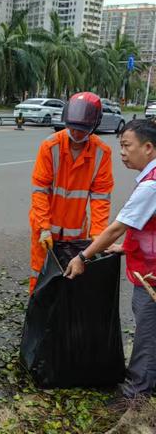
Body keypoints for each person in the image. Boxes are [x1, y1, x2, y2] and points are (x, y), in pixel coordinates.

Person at [65, 119, 156, 400]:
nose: (122, 153)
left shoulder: (150, 187)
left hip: (151, 275)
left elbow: (117, 226)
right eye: (120, 147)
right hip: (147, 265)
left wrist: (83, 256)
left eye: (127, 146)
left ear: (149, 147)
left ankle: (137, 391)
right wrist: (126, 248)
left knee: (148, 331)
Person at [29, 92, 114, 295]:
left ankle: (63, 320)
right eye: (72, 128)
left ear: (94, 126)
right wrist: (43, 228)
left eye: (82, 129)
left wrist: (98, 234)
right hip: (45, 229)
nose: (76, 133)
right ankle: (37, 315)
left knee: (71, 275)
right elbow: (40, 190)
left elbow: (101, 197)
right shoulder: (51, 146)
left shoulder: (101, 152)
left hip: (76, 230)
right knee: (40, 273)